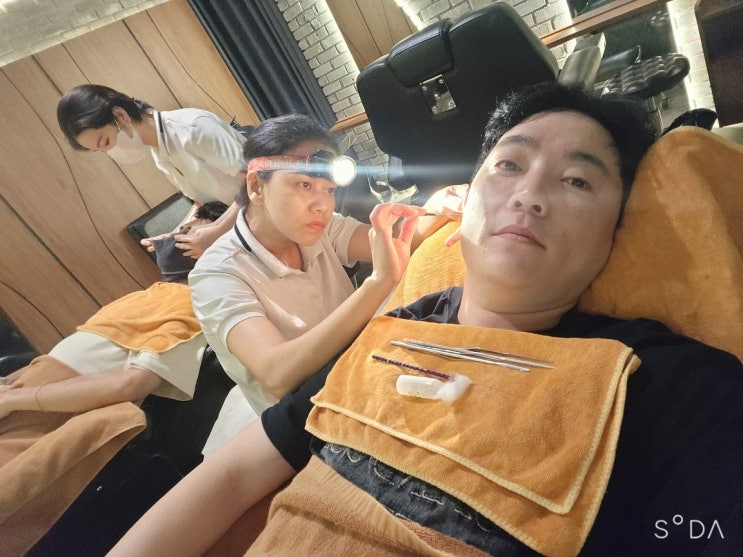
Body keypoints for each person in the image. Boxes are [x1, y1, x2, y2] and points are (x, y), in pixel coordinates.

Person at [238, 84, 743, 555]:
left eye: (577, 180)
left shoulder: (669, 389)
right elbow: (233, 473)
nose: (529, 195)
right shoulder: (394, 332)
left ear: (617, 229)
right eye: (508, 166)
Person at [188, 113, 425, 414]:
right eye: (304, 184)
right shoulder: (217, 275)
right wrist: (377, 284)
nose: (323, 205)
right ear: (256, 186)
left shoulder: (320, 228)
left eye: (329, 190)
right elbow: (277, 375)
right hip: (313, 414)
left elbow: (398, 237)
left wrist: (445, 206)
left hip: (367, 368)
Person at [0, 201, 228, 418]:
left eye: (185, 233)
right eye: (177, 230)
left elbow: (132, 384)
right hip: (25, 393)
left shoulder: (191, 303)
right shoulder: (152, 294)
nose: (168, 238)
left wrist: (14, 398)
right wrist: (8, 384)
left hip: (43, 410)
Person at [57, 84, 247, 258]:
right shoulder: (160, 154)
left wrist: (218, 230)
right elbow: (202, 200)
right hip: (245, 228)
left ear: (120, 115)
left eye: (105, 142)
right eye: (101, 150)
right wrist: (175, 236)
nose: (110, 151)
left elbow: (258, 179)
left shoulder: (193, 127)